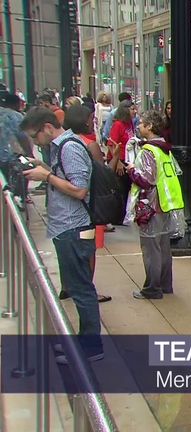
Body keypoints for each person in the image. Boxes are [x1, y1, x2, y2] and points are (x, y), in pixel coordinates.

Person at [20, 107, 104, 363]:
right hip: (67, 228)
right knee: (79, 287)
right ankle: (85, 342)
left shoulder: (69, 147)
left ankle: (91, 347)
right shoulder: (62, 147)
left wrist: (46, 175)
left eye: (35, 136)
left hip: (73, 228)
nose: (35, 142)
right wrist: (44, 167)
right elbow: (67, 177)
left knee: (80, 289)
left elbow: (79, 190)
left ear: (47, 127)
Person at [125, 110, 185, 299]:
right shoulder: (163, 149)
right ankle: (165, 284)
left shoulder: (149, 151)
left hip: (152, 206)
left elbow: (147, 179)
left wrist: (132, 170)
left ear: (150, 126)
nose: (138, 126)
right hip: (167, 203)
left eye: (141, 123)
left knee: (151, 248)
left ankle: (153, 287)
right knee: (163, 247)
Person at [59, 105, 113, 302]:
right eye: (91, 118)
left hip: (65, 208)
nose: (94, 122)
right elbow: (103, 174)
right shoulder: (88, 145)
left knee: (67, 248)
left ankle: (67, 285)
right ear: (84, 120)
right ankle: (88, 289)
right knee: (89, 250)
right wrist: (114, 159)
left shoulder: (61, 142)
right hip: (88, 207)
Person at [108, 100, 138, 221]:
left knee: (126, 189)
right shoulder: (118, 125)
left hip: (127, 158)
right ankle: (116, 217)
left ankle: (122, 215)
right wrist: (118, 161)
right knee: (119, 189)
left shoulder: (129, 123)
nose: (135, 111)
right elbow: (111, 143)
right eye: (132, 109)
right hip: (118, 159)